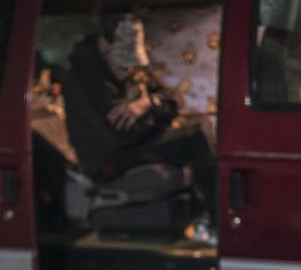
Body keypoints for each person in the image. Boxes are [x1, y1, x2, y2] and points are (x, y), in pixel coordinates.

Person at [63, 12, 216, 232]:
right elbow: (123, 132)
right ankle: (213, 219)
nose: (129, 67)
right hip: (110, 159)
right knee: (198, 135)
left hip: (139, 141)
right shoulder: (86, 77)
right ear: (104, 45)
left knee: (203, 123)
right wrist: (157, 118)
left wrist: (147, 104)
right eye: (123, 61)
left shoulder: (130, 68)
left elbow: (174, 100)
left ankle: (203, 210)